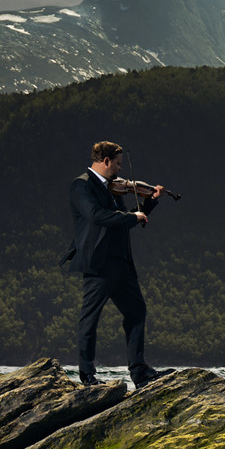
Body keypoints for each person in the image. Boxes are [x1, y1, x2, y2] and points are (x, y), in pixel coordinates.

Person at [67, 140, 157, 388]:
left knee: (137, 312)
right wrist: (131, 216)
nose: (119, 170)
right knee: (90, 319)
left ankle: (139, 372)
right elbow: (97, 216)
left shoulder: (113, 188)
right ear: (106, 161)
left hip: (122, 265)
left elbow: (126, 218)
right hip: (99, 264)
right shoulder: (82, 185)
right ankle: (87, 375)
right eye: (117, 164)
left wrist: (149, 202)